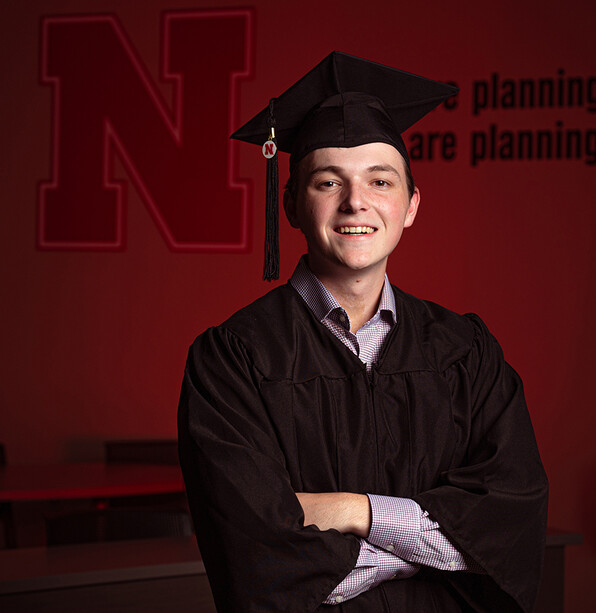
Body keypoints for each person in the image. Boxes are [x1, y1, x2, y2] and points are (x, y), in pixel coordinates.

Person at [178, 51, 548, 613]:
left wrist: (356, 511)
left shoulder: (465, 352)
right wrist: (441, 543)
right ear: (291, 205)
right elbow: (256, 558)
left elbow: (509, 528)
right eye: (329, 181)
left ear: (410, 206)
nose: (356, 202)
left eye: (380, 180)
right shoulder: (234, 360)